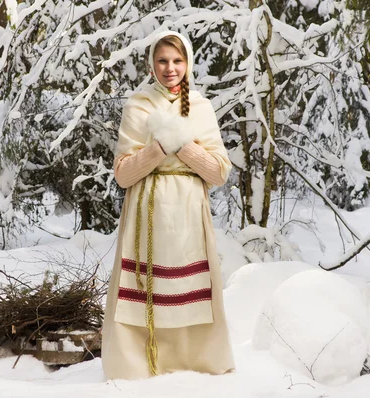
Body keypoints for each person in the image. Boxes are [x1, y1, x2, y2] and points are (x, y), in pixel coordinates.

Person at [101, 30, 235, 380]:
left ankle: (193, 362)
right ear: (151, 64)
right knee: (144, 292)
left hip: (189, 214)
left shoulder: (201, 107)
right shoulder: (139, 105)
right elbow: (123, 174)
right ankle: (136, 365)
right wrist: (159, 148)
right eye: (162, 60)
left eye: (177, 61)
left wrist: (182, 145)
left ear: (188, 64)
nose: (170, 68)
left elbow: (219, 171)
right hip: (147, 212)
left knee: (187, 292)